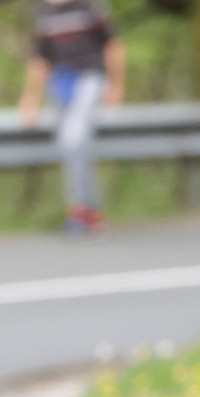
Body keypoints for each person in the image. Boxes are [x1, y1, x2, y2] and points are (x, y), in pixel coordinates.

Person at [17, 0, 126, 233]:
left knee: (73, 139)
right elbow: (40, 59)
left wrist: (116, 85)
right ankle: (87, 208)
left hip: (89, 78)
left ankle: (79, 208)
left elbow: (112, 45)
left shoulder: (89, 8)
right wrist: (30, 98)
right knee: (69, 148)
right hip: (60, 82)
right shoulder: (43, 13)